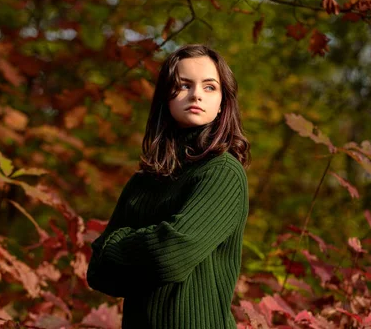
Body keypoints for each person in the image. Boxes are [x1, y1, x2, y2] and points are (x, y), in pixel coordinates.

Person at [86, 44, 250, 329]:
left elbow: (170, 255)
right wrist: (135, 247)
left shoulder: (222, 173)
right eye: (184, 85)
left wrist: (116, 242)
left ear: (223, 102)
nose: (196, 94)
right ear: (166, 96)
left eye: (210, 87)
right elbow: (98, 272)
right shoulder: (144, 181)